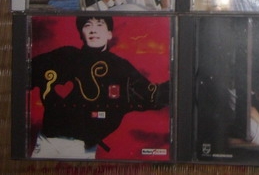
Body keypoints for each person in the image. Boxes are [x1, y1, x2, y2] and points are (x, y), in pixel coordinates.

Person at [30, 16, 170, 159]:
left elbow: (152, 95)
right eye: (87, 25)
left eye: (99, 25)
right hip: (46, 142)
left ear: (109, 34)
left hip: (83, 149)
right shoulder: (64, 56)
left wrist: (180, 80)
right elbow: (25, 73)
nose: (93, 30)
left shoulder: (120, 67)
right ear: (81, 33)